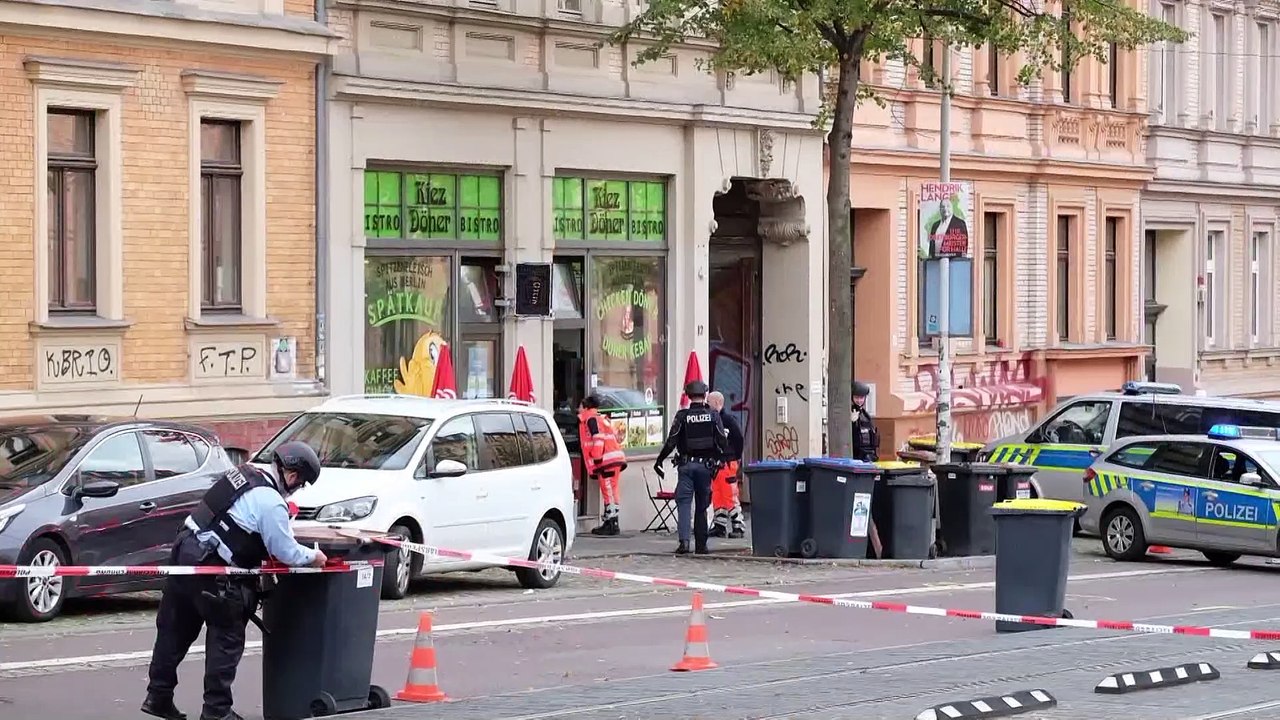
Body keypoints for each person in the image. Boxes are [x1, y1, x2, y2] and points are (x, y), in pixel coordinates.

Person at [142, 441, 328, 720]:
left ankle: (158, 696)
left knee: (173, 631)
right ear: (292, 476)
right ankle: (216, 712)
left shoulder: (241, 474)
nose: (297, 488)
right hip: (216, 571)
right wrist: (314, 557)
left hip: (185, 553)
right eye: (300, 484)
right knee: (225, 640)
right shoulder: (271, 502)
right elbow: (285, 551)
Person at [654, 380, 729, 554]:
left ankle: (684, 543)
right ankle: (701, 545)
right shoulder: (713, 415)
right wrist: (721, 458)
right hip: (705, 467)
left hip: (686, 466)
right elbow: (722, 441)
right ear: (704, 395)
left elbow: (671, 441)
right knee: (702, 506)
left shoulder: (682, 416)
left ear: (688, 396)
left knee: (684, 504)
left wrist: (660, 460)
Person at [578, 394, 627, 536]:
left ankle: (610, 523)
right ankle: (613, 521)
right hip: (614, 459)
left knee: (608, 491)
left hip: (606, 461)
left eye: (580, 406)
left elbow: (598, 438)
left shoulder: (591, 419)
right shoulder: (601, 419)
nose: (578, 409)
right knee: (613, 490)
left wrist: (597, 458)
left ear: (586, 407)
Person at [707, 391, 746, 538]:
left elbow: (739, 438)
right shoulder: (711, 419)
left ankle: (738, 526)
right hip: (716, 464)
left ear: (717, 403)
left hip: (727, 462)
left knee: (730, 494)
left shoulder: (728, 420)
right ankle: (720, 525)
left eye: (709, 402)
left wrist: (736, 457)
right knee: (717, 495)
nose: (706, 405)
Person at [851, 381, 880, 462]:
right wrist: (852, 422)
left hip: (868, 454)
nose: (859, 400)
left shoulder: (865, 414)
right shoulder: (850, 411)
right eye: (856, 398)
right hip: (856, 455)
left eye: (861, 398)